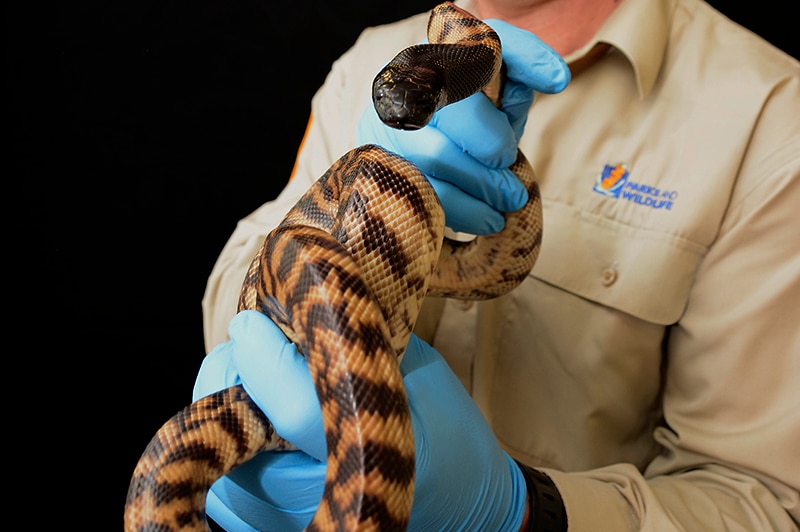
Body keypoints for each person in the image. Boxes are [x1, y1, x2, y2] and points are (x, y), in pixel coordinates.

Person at [192, 0, 800, 529]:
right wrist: (349, 213)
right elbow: (229, 315)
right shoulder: (369, 61)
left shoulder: (768, 115)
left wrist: (520, 514)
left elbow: (764, 504)